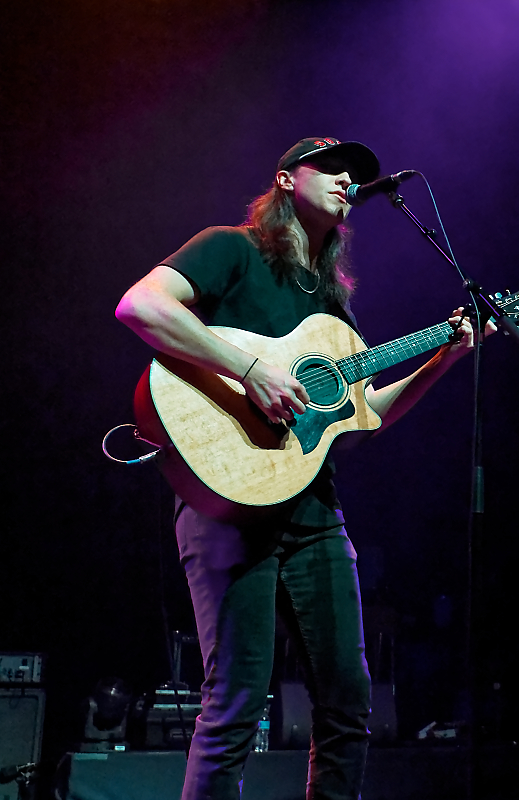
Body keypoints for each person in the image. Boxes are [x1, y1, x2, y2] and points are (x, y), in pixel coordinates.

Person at [115, 137, 487, 800]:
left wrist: (444, 358)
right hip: (226, 505)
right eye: (334, 167)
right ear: (287, 179)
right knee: (234, 703)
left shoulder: (333, 309)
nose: (350, 180)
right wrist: (252, 369)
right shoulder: (229, 248)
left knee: (349, 702)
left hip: (314, 511)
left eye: (358, 175)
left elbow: (363, 416)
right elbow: (141, 306)